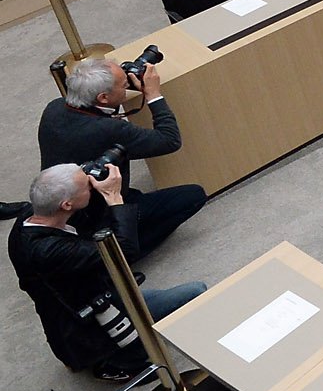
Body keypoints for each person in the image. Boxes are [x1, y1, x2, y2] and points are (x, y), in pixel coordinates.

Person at [12, 163, 206, 377]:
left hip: (85, 306)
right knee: (197, 292)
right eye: (86, 186)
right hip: (96, 326)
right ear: (66, 205)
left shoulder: (29, 220)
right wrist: (114, 197)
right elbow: (123, 253)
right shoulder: (49, 250)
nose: (91, 183)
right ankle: (115, 363)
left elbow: (88, 216)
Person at [38, 54, 208, 255]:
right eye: (123, 85)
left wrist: (118, 87)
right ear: (103, 97)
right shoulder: (107, 130)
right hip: (101, 213)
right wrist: (153, 94)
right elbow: (169, 140)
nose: (127, 84)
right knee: (193, 196)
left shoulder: (54, 108)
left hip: (71, 208)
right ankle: (119, 254)